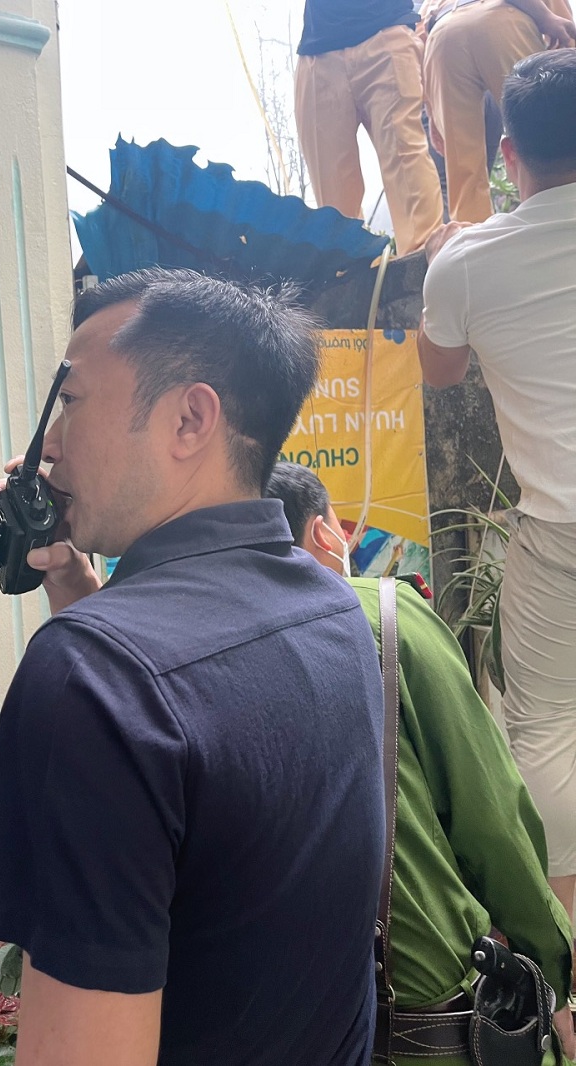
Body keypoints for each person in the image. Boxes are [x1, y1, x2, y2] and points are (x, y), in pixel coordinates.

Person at [0, 269, 386, 1066]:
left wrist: (90, 633)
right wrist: (76, 592)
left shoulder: (94, 677)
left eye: (70, 401)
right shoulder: (335, 613)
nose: (47, 443)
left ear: (190, 418)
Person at [265, 462, 575, 1064]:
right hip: (418, 1017)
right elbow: (491, 817)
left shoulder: (195, 648)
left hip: (277, 1021)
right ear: (324, 533)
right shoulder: (385, 617)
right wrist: (550, 969)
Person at [419, 48, 576, 940]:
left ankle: (563, 950)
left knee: (544, 730)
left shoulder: (469, 263)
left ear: (508, 154)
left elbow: (440, 370)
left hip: (558, 530)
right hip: (552, 531)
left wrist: (452, 253)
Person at [294, 0, 444, 257]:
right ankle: (351, 275)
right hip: (318, 52)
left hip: (387, 33)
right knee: (333, 209)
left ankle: (427, 270)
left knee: (409, 174)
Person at [421, 0, 576, 223]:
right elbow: (567, 49)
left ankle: (472, 234)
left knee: (464, 172)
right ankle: (560, 224)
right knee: (551, 134)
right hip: (500, 19)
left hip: (443, 36)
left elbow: (422, 38)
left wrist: (433, 114)